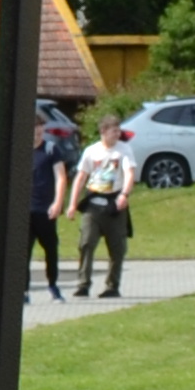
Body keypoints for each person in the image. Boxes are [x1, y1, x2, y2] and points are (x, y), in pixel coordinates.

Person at [70, 115, 136, 299]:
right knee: (86, 243)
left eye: (118, 130)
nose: (118, 134)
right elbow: (81, 177)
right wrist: (72, 203)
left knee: (117, 248)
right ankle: (83, 284)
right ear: (103, 132)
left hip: (115, 203)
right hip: (93, 203)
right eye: (114, 131)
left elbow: (129, 173)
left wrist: (124, 194)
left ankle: (112, 286)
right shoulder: (92, 151)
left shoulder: (124, 150)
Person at [21, 106, 73, 299]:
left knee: (51, 248)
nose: (37, 131)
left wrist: (58, 202)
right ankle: (23, 290)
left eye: (40, 127)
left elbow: (61, 177)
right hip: (26, 209)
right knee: (23, 252)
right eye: (33, 127)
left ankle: (53, 285)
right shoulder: (20, 150)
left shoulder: (51, 149)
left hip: (45, 208)